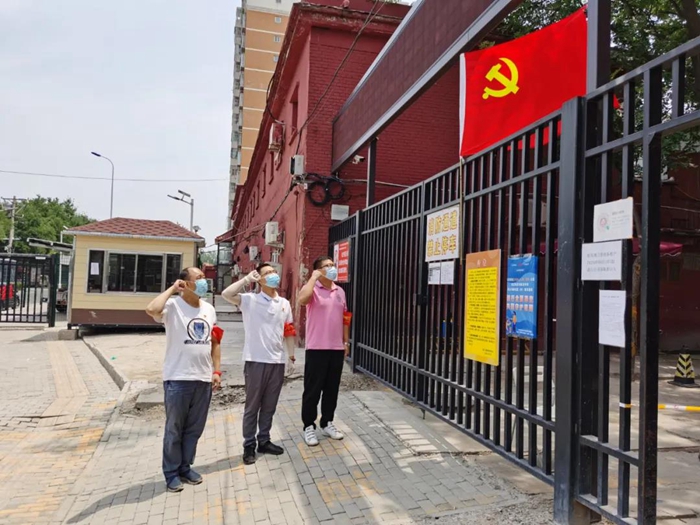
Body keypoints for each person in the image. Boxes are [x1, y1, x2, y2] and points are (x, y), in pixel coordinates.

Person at [145, 267, 222, 493]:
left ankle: (185, 467)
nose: (204, 281)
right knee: (174, 429)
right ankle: (171, 473)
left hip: (203, 379)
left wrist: (216, 371)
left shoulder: (209, 309)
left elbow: (215, 342)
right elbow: (151, 309)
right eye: (199, 278)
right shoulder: (172, 306)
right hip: (178, 378)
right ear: (185, 283)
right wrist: (172, 289)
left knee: (194, 429)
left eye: (204, 277)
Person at [221, 262, 296, 465]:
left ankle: (264, 440)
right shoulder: (250, 300)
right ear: (260, 279)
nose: (273, 274)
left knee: (269, 405)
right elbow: (226, 294)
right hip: (256, 360)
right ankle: (249, 445)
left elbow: (288, 330)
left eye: (274, 271)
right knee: (252, 406)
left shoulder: (284, 303)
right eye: (268, 272)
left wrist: (291, 356)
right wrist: (246, 279)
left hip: (276, 361)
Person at [298, 255, 352, 446]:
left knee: (331, 389)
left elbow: (345, 318)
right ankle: (308, 426)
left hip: (336, 348)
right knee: (312, 391)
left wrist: (346, 342)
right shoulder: (312, 289)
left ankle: (327, 422)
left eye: (332, 264)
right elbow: (302, 300)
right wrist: (313, 278)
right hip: (317, 348)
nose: (331, 268)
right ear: (319, 270)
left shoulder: (340, 291)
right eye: (326, 266)